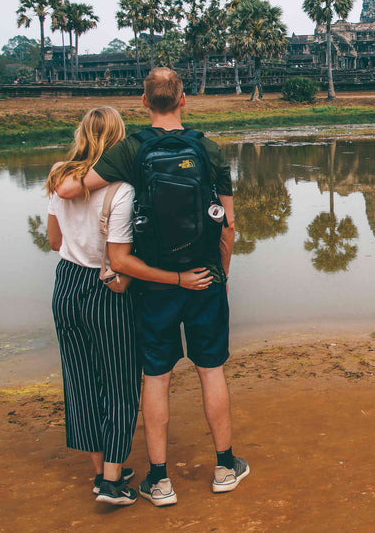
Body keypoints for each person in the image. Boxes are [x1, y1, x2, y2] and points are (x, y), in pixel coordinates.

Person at [56, 68, 247, 506]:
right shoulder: (209, 149)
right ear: (184, 100)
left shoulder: (131, 149)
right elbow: (229, 225)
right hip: (204, 278)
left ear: (143, 103)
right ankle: (224, 466)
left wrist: (61, 175)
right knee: (210, 370)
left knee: (155, 377)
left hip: (152, 281)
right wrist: (221, 277)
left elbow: (71, 189)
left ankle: (159, 480)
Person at [44, 107, 141, 506]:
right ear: (118, 139)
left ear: (81, 134)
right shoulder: (122, 189)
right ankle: (113, 482)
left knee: (80, 379)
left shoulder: (60, 177)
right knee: (119, 382)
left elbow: (53, 240)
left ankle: (99, 470)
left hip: (66, 284)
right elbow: (119, 258)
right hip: (106, 286)